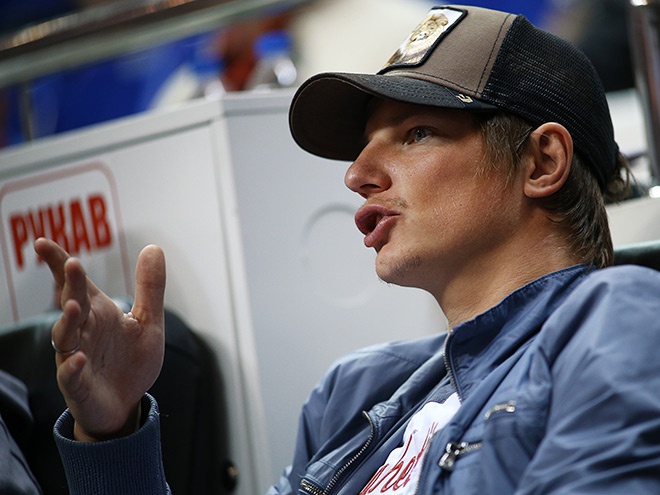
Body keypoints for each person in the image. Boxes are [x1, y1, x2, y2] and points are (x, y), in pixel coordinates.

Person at [33, 4, 660, 495]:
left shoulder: (617, 319)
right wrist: (112, 438)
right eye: (365, 144)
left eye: (417, 133)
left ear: (542, 162)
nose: (357, 174)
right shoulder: (353, 391)